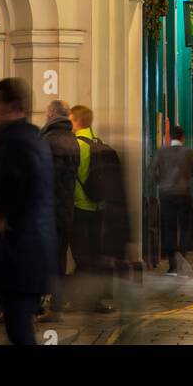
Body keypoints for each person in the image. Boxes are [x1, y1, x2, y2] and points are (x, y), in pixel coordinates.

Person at [0, 78, 55, 345]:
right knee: (17, 325)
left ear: (13, 106)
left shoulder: (18, 142)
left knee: (19, 328)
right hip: (25, 252)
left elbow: (26, 187)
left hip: (20, 252)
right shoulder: (26, 138)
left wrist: (0, 217)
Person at [69, 104, 113, 312]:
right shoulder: (98, 142)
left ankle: (77, 299)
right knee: (93, 255)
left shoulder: (76, 145)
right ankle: (92, 298)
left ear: (76, 120)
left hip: (80, 206)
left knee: (81, 256)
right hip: (99, 207)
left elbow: (70, 177)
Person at [41, 99, 79, 308]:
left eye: (47, 112)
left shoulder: (49, 139)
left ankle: (50, 300)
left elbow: (47, 178)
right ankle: (57, 300)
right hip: (66, 209)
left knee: (47, 257)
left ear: (52, 114)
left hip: (50, 210)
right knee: (59, 256)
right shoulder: (71, 138)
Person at [152, 126, 193, 276]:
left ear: (169, 137)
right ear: (182, 137)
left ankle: (172, 265)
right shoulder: (189, 152)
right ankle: (182, 261)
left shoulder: (161, 152)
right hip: (184, 194)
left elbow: (152, 171)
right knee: (184, 227)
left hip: (166, 195)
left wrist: (162, 183)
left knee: (168, 228)